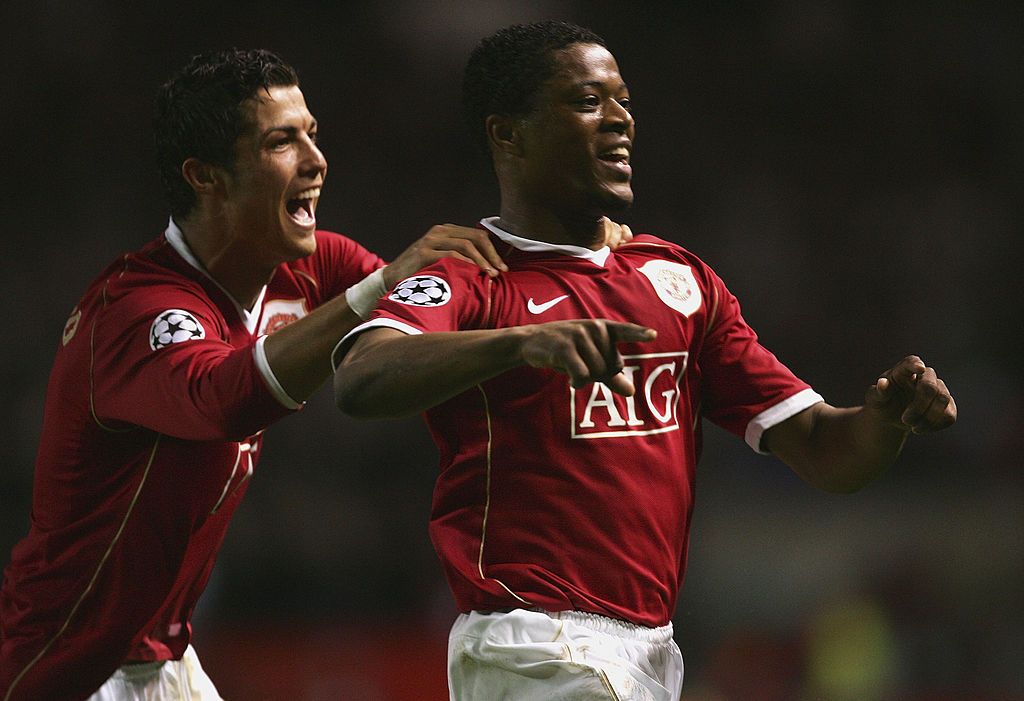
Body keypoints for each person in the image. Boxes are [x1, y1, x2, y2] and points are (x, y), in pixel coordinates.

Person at [332, 20, 957, 701]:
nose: (620, 120)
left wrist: (886, 417)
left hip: (651, 650)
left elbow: (825, 449)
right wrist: (520, 343)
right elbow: (362, 376)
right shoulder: (470, 274)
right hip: (533, 644)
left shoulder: (677, 282)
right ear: (508, 133)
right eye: (587, 101)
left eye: (623, 100)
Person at [0, 48, 519, 701]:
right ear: (206, 176)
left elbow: (427, 308)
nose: (316, 159)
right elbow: (224, 397)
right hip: (65, 670)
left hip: (166, 663)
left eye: (312, 135)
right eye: (282, 141)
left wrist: (571, 269)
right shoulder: (135, 312)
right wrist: (379, 288)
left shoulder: (305, 268)